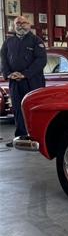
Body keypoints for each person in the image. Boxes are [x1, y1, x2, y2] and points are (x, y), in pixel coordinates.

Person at [0, 15, 47, 146]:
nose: (20, 25)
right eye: (18, 23)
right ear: (14, 26)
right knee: (17, 108)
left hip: (32, 81)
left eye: (23, 23)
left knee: (33, 108)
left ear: (29, 25)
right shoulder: (8, 42)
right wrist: (8, 74)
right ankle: (20, 137)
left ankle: (36, 137)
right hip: (14, 82)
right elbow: (3, 59)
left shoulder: (36, 41)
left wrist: (25, 74)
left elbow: (41, 61)